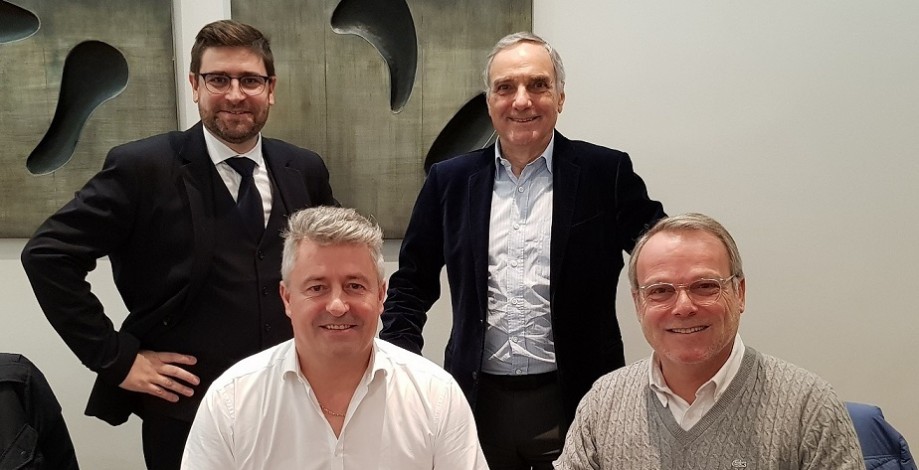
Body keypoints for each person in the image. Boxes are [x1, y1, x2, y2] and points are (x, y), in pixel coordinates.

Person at [20, 20, 335, 469]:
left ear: (271, 89)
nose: (234, 95)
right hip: (185, 413)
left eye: (250, 80)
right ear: (194, 85)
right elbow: (48, 255)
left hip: (295, 402)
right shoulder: (142, 168)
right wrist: (115, 359)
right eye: (218, 79)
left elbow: (334, 268)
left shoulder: (302, 168)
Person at [380, 31, 665, 469]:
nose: (521, 100)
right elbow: (411, 284)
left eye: (538, 85)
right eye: (505, 87)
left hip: (579, 397)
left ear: (560, 97)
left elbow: (664, 261)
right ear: (489, 101)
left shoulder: (604, 173)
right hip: (478, 400)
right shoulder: (449, 181)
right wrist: (400, 366)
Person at [182, 206, 488, 469]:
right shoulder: (232, 400)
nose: (338, 306)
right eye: (317, 288)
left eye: (355, 286)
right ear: (287, 298)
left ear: (381, 295)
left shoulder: (436, 396)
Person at [555, 213, 864, 469]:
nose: (683, 307)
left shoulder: (809, 406)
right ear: (638, 304)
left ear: (739, 293)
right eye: (660, 291)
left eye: (705, 286)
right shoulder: (602, 405)